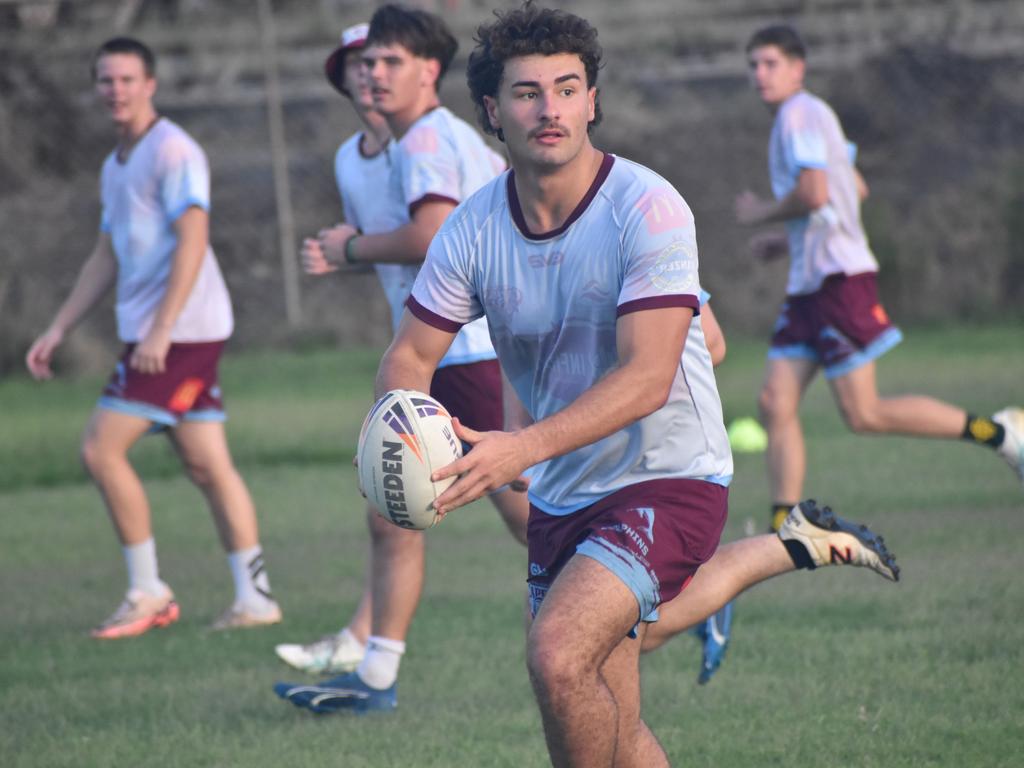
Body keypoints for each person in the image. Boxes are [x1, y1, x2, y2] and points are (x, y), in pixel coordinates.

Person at [281, 5, 901, 762]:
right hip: (565, 490)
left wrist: (520, 448)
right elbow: (410, 354)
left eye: (568, 89)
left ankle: (777, 550)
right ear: (491, 111)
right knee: (614, 706)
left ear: (592, 101)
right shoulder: (473, 231)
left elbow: (648, 378)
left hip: (667, 475)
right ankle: (787, 548)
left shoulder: (646, 206)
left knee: (557, 655)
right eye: (527, 92)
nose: (550, 109)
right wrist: (390, 426)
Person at [273, 8, 529, 708]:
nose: (371, 73)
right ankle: (376, 675)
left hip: (466, 351)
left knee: (523, 513)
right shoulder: (428, 140)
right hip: (445, 352)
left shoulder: (424, 142)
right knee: (393, 508)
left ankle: (657, 590)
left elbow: (432, 232)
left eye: (387, 61)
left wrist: (350, 247)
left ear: (427, 71)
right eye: (366, 62)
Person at [24, 37, 282, 638]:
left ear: (151, 84)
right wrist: (59, 326)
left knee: (100, 449)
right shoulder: (116, 163)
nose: (115, 90)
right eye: (105, 80)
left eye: (126, 79)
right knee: (207, 465)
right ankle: (256, 597)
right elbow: (106, 253)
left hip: (180, 333)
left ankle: (148, 591)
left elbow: (193, 239)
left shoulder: (174, 151)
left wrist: (163, 329)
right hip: (159, 333)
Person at [735, 24, 1024, 534]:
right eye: (754, 65)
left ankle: (998, 432)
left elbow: (817, 194)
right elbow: (855, 189)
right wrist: (790, 243)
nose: (760, 74)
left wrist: (761, 214)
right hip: (811, 282)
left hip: (836, 282)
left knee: (864, 413)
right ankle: (788, 527)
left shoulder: (798, 114)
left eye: (770, 63)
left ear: (797, 69)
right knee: (774, 403)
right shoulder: (814, 116)